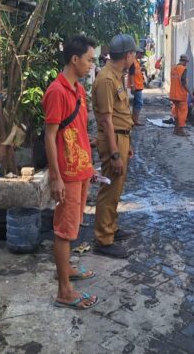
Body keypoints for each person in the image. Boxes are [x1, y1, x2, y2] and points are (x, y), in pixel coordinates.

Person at [42, 35, 98, 310]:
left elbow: (78, 133)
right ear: (74, 59)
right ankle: (64, 290)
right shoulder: (57, 91)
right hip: (67, 174)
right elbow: (50, 137)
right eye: (89, 59)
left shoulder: (77, 90)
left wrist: (89, 167)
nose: (92, 64)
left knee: (72, 227)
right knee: (64, 231)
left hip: (81, 170)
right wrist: (55, 177)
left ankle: (67, 270)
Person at [92, 34, 137, 259]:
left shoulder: (117, 76)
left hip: (121, 137)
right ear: (127, 55)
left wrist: (126, 143)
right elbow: (107, 120)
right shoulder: (107, 79)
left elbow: (119, 114)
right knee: (109, 189)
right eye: (134, 54)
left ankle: (111, 228)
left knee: (116, 188)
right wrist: (115, 152)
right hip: (113, 139)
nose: (135, 58)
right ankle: (103, 239)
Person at [169, 54, 190, 136]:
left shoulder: (173, 68)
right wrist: (190, 92)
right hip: (180, 95)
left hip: (173, 95)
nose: (186, 64)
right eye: (186, 62)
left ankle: (176, 130)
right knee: (183, 112)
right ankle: (180, 131)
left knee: (176, 112)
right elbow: (183, 82)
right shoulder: (183, 69)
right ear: (184, 61)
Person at [128, 48, 146, 126]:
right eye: (141, 54)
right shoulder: (133, 62)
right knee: (139, 103)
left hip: (138, 85)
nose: (142, 56)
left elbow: (135, 72)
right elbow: (131, 74)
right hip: (136, 86)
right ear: (138, 53)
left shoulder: (136, 62)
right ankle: (136, 120)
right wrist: (132, 86)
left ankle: (134, 119)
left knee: (136, 103)